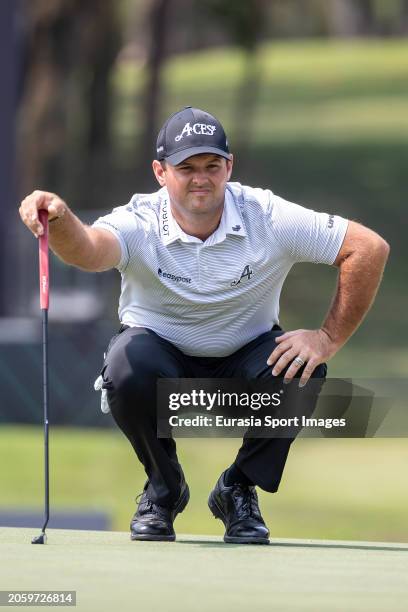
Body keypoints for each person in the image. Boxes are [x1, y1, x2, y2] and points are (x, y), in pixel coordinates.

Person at [19, 106, 389, 545]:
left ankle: (237, 489)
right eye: (186, 167)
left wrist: (327, 338)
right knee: (124, 366)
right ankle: (164, 490)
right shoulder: (139, 221)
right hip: (160, 360)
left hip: (246, 357)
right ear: (160, 172)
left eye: (212, 166)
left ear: (228, 167)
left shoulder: (265, 215)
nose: (201, 178)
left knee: (301, 372)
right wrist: (61, 222)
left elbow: (368, 248)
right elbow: (89, 250)